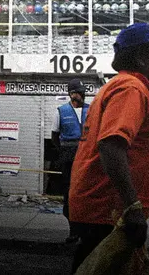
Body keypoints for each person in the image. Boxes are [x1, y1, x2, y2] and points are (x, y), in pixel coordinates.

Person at [67, 23, 149, 274]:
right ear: (141, 58)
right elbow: (111, 146)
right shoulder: (131, 89)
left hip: (102, 209)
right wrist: (132, 207)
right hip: (108, 211)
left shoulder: (122, 86)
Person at [52, 78, 89, 243]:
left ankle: (87, 230)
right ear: (71, 94)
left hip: (88, 155)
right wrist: (64, 152)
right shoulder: (61, 111)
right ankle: (73, 230)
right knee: (70, 193)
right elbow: (54, 136)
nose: (82, 95)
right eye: (79, 92)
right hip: (68, 156)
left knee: (88, 193)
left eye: (83, 92)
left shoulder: (92, 109)